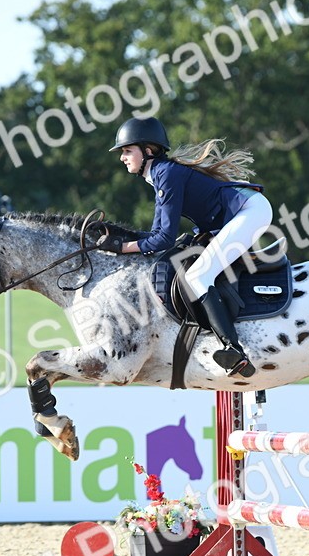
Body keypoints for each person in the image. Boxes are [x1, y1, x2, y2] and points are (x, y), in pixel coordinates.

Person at [103, 116, 271, 378]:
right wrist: (125, 243)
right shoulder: (160, 175)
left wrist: (123, 248)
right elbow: (158, 234)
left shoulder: (166, 174)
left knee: (197, 275)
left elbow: (163, 240)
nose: (122, 157)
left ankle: (233, 349)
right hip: (238, 214)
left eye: (127, 150)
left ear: (148, 151)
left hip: (250, 211)